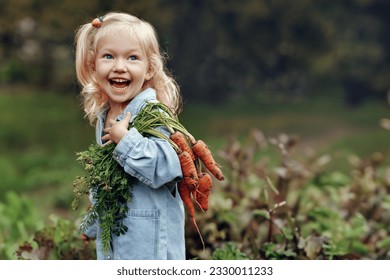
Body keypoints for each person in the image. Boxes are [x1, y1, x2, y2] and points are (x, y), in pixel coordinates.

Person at [74, 12, 185, 260]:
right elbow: (106, 182)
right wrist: (91, 224)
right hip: (115, 243)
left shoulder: (153, 113)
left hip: (150, 247)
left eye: (132, 57)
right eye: (109, 56)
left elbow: (168, 167)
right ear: (94, 65)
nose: (119, 66)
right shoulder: (106, 115)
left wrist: (125, 140)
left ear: (149, 69)